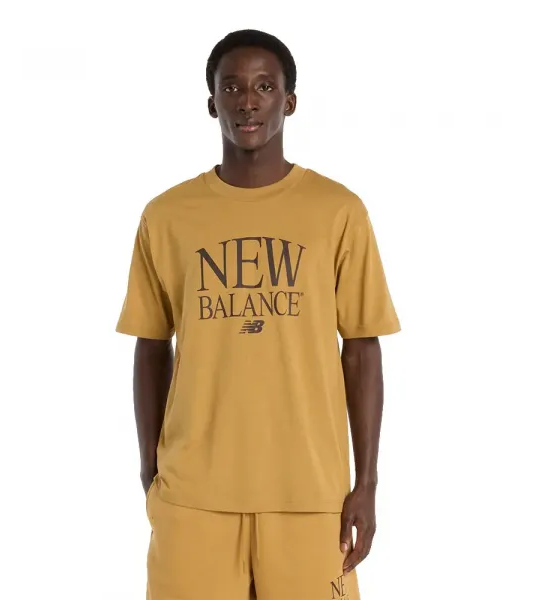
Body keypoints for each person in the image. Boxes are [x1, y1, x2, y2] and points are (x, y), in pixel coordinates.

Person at [115, 28, 401, 600]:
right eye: (232, 87)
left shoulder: (338, 211)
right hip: (193, 494)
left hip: (310, 493)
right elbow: (151, 344)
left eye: (265, 86)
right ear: (212, 103)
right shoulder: (167, 216)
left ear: (289, 101)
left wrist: (366, 482)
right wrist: (150, 470)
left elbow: (361, 349)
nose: (248, 101)